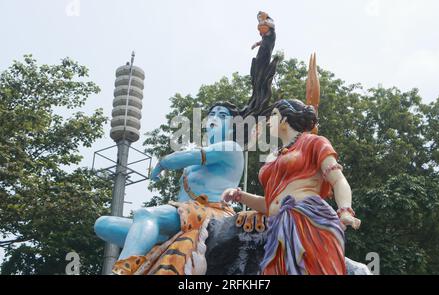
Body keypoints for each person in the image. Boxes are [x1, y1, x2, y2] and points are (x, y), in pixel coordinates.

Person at [94, 102, 244, 275]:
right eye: (212, 114)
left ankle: (122, 271)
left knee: (146, 214)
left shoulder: (232, 148)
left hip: (212, 215)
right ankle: (149, 242)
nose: (215, 118)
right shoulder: (193, 165)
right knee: (103, 224)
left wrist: (162, 163)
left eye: (223, 116)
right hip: (180, 219)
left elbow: (183, 157)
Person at [222, 99, 361, 275]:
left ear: (284, 119)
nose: (267, 121)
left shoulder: (314, 142)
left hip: (309, 221)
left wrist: (345, 210)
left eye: (272, 115)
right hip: (277, 230)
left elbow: (338, 179)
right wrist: (240, 196)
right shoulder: (273, 157)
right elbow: (270, 204)